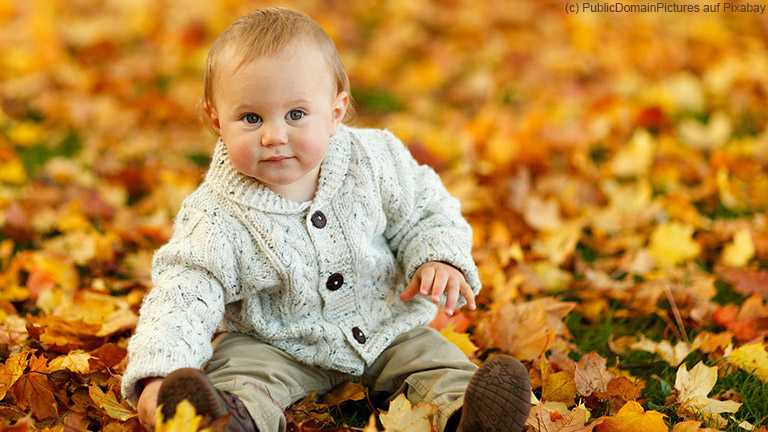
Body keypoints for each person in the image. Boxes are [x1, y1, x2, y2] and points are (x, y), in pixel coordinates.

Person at [120, 7, 531, 432]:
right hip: (275, 343)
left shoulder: (374, 159)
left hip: (385, 325)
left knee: (435, 362)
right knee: (241, 375)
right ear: (216, 120)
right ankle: (227, 420)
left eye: (296, 114)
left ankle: (471, 415)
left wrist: (438, 257)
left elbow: (426, 209)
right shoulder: (215, 213)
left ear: (336, 112)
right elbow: (185, 292)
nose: (274, 135)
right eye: (251, 118)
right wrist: (159, 373)